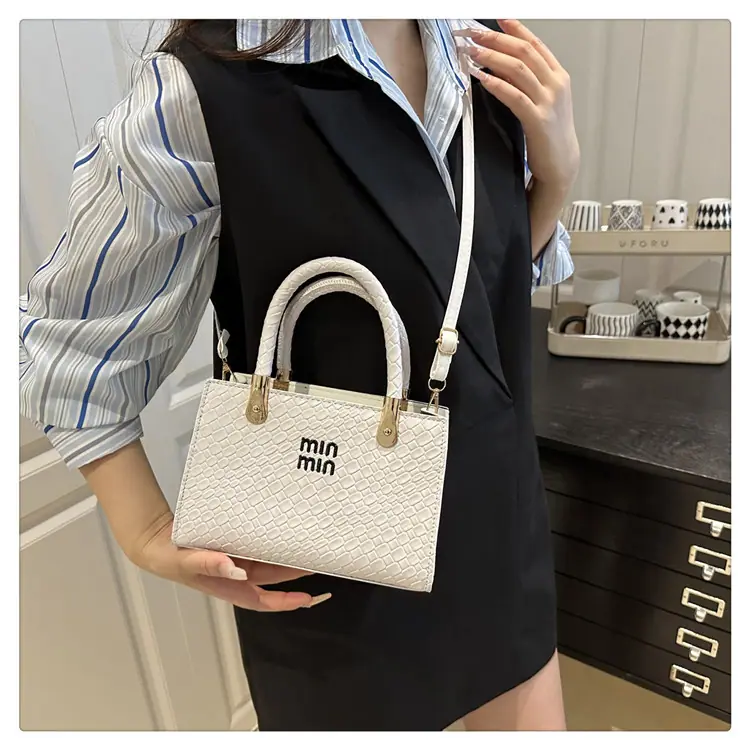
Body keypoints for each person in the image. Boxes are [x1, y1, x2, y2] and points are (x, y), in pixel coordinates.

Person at [19, 19, 579, 731]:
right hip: (334, 571)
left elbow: (476, 300)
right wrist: (147, 530)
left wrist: (555, 179)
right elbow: (70, 345)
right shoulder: (206, 86)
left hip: (499, 537)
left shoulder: (487, 50)